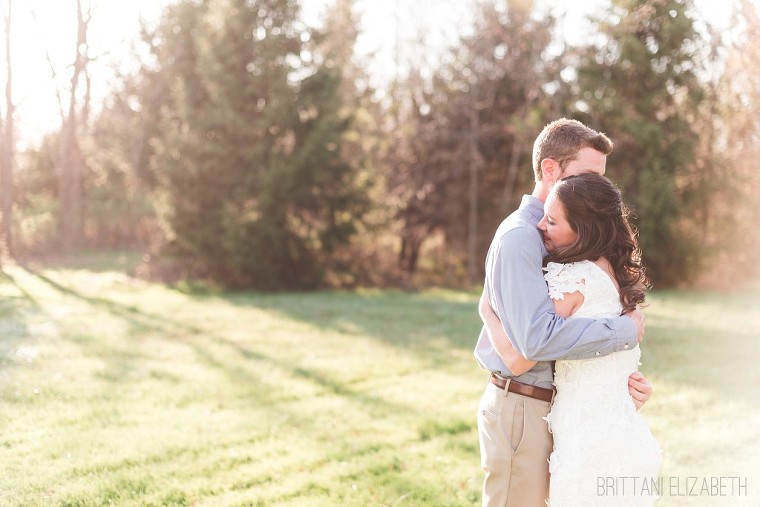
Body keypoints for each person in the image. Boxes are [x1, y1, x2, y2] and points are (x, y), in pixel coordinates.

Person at [473, 118, 653, 507]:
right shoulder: (524, 236)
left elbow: (576, 317)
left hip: (559, 406)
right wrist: (623, 331)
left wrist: (614, 391)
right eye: (586, 175)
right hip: (522, 406)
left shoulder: (572, 245)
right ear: (550, 169)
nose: (597, 189)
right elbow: (531, 344)